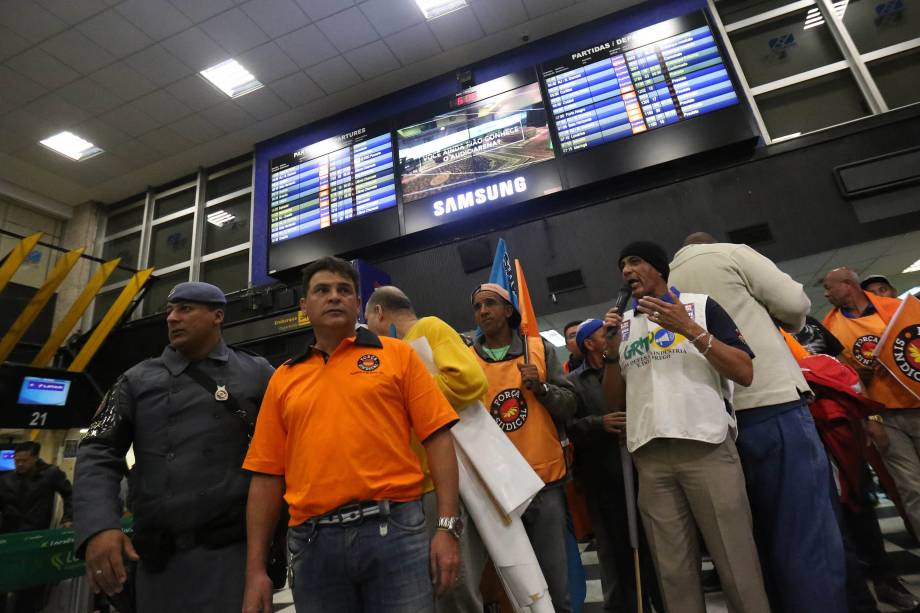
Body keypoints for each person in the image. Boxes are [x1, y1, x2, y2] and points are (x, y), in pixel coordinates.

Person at [242, 257, 461, 613]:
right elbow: (266, 475)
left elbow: (438, 438)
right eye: (322, 290)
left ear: (358, 304)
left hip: (398, 533)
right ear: (304, 307)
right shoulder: (283, 378)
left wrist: (447, 528)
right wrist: (255, 571)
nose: (334, 297)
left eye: (344, 290)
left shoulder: (398, 356)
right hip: (312, 546)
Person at [668, 233, 847, 612]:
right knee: (805, 532)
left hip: (716, 426)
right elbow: (793, 301)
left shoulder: (667, 286)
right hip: (772, 403)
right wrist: (791, 323)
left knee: (749, 545)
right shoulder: (731, 254)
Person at [73, 281, 274, 613]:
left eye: (185, 309)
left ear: (217, 316)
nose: (172, 318)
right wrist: (98, 526)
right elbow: (97, 448)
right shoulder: (135, 380)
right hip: (158, 562)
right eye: (169, 311)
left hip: (233, 557)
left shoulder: (256, 373)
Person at [602, 241, 770, 613]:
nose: (626, 271)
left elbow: (744, 371)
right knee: (672, 572)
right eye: (622, 266)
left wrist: (689, 328)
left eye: (635, 262)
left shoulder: (699, 306)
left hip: (706, 448)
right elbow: (613, 400)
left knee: (735, 562)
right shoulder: (623, 326)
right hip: (650, 458)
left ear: (659, 269)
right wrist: (610, 351)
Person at [364, 285, 489, 613]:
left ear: (379, 313)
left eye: (369, 320)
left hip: (443, 480)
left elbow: (471, 381)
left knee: (453, 583)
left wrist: (407, 388)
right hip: (414, 484)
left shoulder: (428, 327)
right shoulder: (396, 349)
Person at [470, 282, 576, 613]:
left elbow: (572, 404)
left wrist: (542, 389)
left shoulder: (539, 348)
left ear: (508, 310)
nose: (483, 311)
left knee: (554, 582)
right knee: (510, 590)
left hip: (543, 483)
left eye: (490, 304)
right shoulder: (466, 359)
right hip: (494, 491)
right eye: (477, 307)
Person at [566, 319, 662, 613]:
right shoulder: (574, 383)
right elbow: (569, 426)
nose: (613, 336)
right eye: (604, 333)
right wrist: (599, 423)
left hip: (642, 470)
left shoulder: (630, 367)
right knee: (616, 552)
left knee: (655, 547)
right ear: (590, 345)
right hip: (604, 479)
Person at [822, 268, 920, 541]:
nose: (826, 294)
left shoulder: (897, 310)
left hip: (916, 402)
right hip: (883, 416)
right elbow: (843, 376)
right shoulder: (830, 328)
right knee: (911, 487)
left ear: (848, 285)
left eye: (830, 288)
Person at [0, 441, 74, 613]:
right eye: (16, 460)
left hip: (36, 538)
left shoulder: (50, 474)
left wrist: (68, 518)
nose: (19, 464)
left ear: (35, 458)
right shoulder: (6, 479)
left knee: (29, 590)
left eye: (24, 460)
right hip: (9, 538)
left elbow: (69, 494)